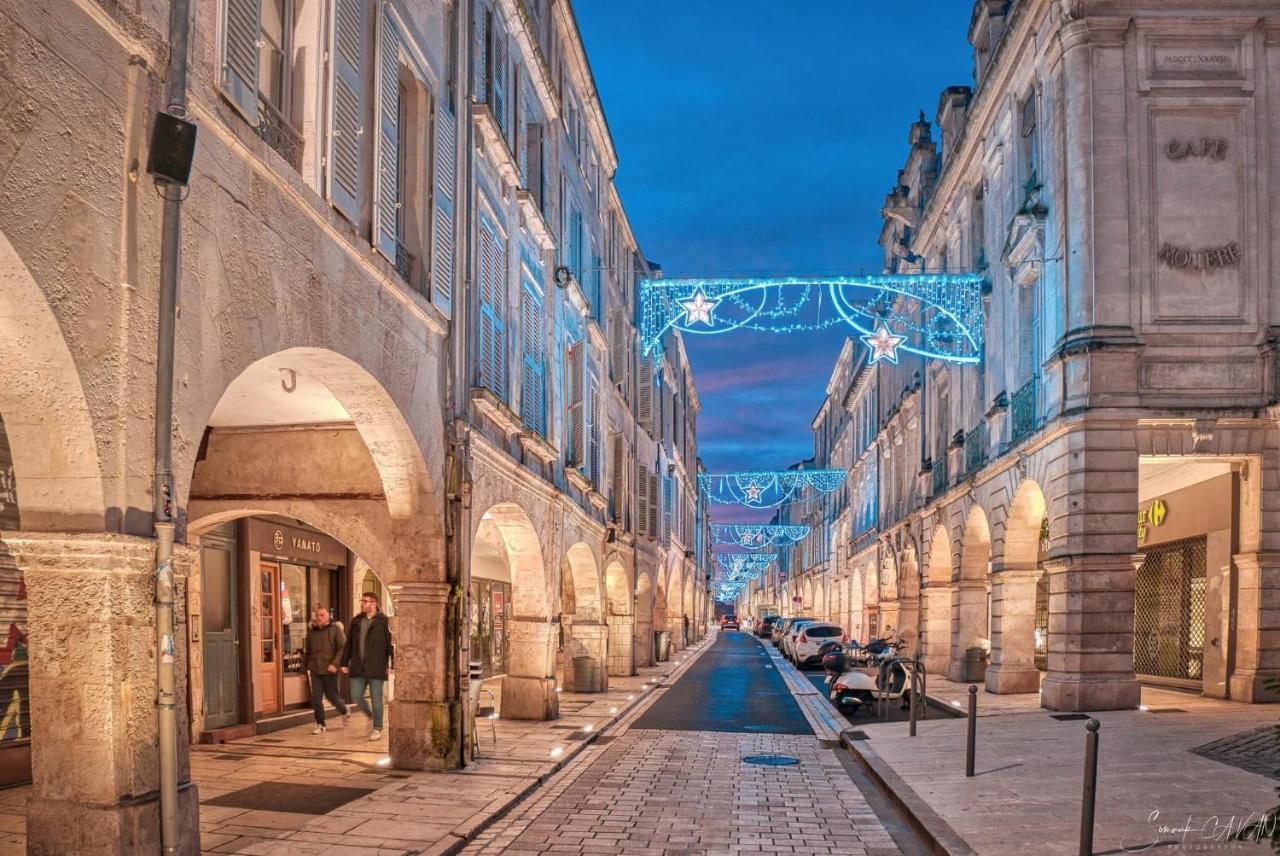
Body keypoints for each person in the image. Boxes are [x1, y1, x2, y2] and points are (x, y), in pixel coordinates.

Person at [341, 591, 393, 741]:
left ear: (374, 603)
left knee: (377, 698)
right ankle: (370, 716)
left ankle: (377, 727)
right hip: (358, 665)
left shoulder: (384, 622)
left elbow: (390, 644)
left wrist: (392, 663)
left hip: (377, 665)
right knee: (356, 695)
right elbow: (349, 643)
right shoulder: (356, 621)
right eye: (362, 601)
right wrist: (344, 662)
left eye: (365, 601)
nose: (362, 604)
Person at [304, 605, 349, 734]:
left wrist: (335, 664)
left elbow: (343, 648)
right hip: (315, 670)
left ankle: (345, 711)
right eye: (317, 615)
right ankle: (321, 724)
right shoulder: (312, 632)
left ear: (328, 616)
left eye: (322, 615)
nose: (319, 617)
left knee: (332, 696)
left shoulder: (335, 629)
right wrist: (303, 670)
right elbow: (307, 652)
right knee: (316, 698)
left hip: (330, 670)